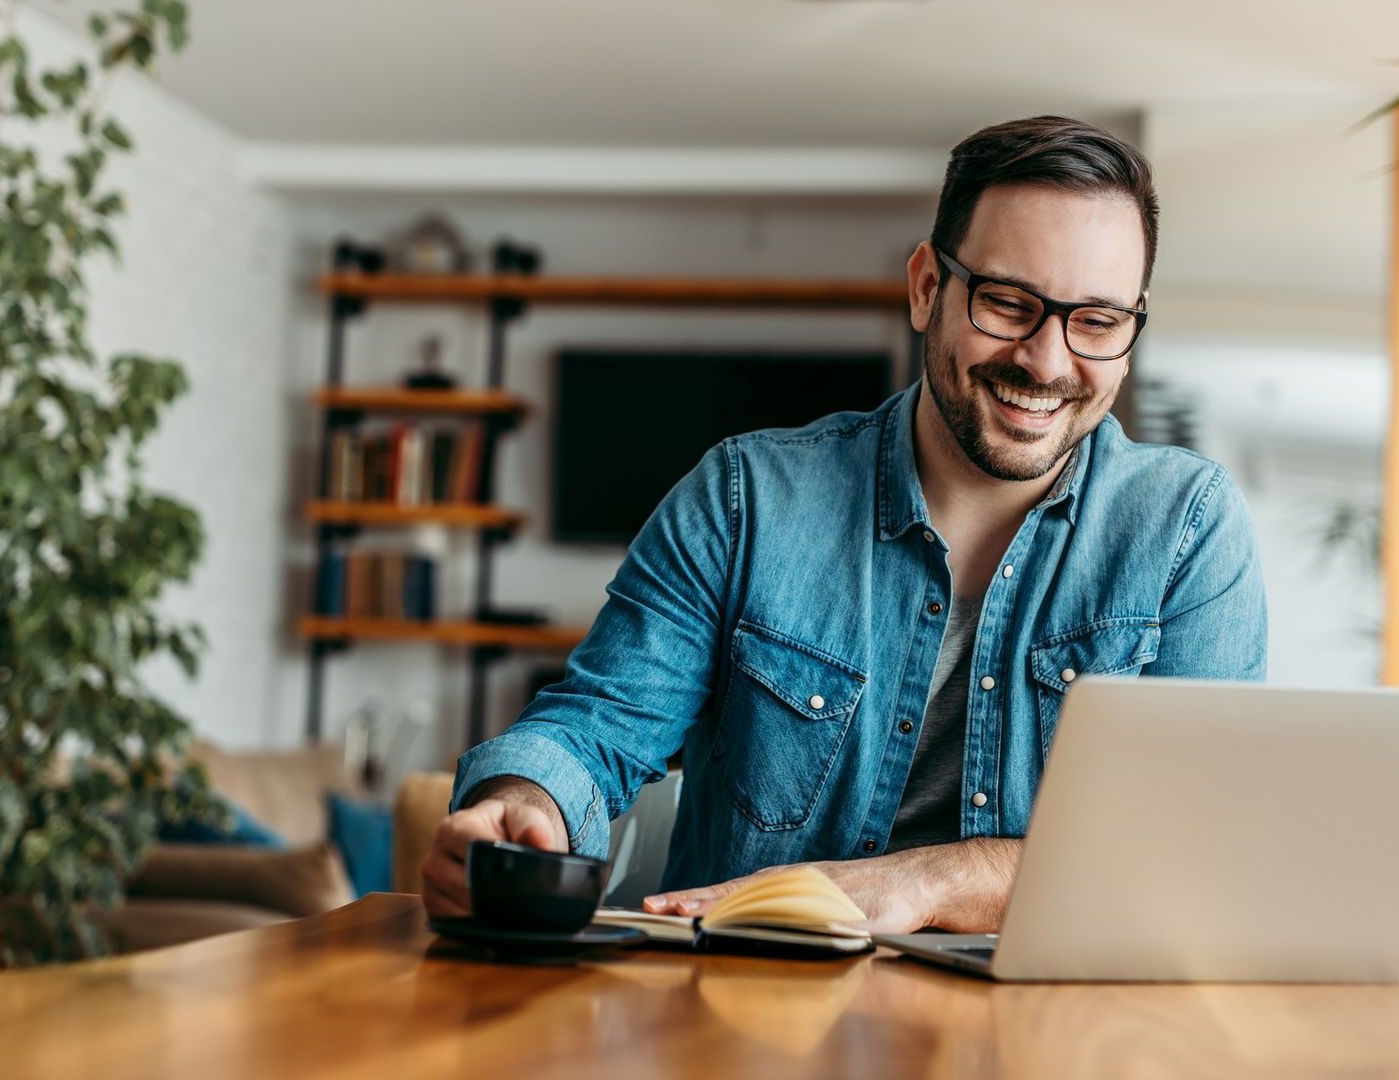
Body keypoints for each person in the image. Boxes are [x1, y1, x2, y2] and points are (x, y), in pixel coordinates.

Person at [421, 115, 1267, 934]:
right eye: (1008, 303)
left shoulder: (1186, 529)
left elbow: (1191, 850)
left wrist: (927, 881)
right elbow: (597, 728)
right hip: (745, 1018)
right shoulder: (745, 495)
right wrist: (519, 808)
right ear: (927, 286)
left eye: (1096, 321)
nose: (1047, 362)